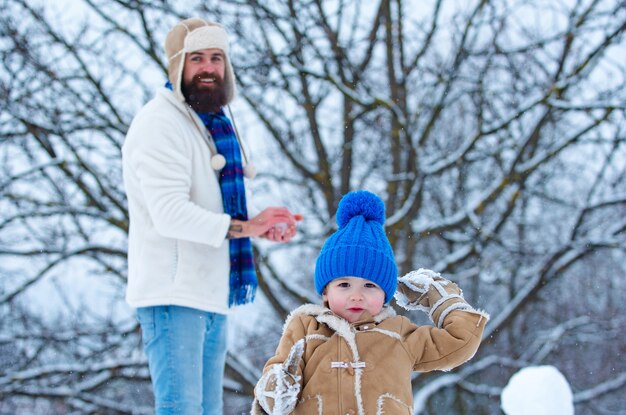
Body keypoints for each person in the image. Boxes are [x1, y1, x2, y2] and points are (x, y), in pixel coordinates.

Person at [122, 17, 299, 415]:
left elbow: (208, 208)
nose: (208, 67)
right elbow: (169, 214)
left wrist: (256, 226)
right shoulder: (160, 123)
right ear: (177, 66)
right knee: (181, 409)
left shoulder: (209, 124)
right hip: (172, 293)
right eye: (196, 57)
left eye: (216, 58)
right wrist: (245, 227)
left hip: (210, 292)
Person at [251, 190, 489, 414]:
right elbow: (274, 379)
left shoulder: (400, 335)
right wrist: (277, 389)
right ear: (325, 292)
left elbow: (460, 343)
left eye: (370, 285)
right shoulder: (305, 328)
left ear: (385, 293)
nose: (357, 295)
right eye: (344, 285)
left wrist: (441, 299)